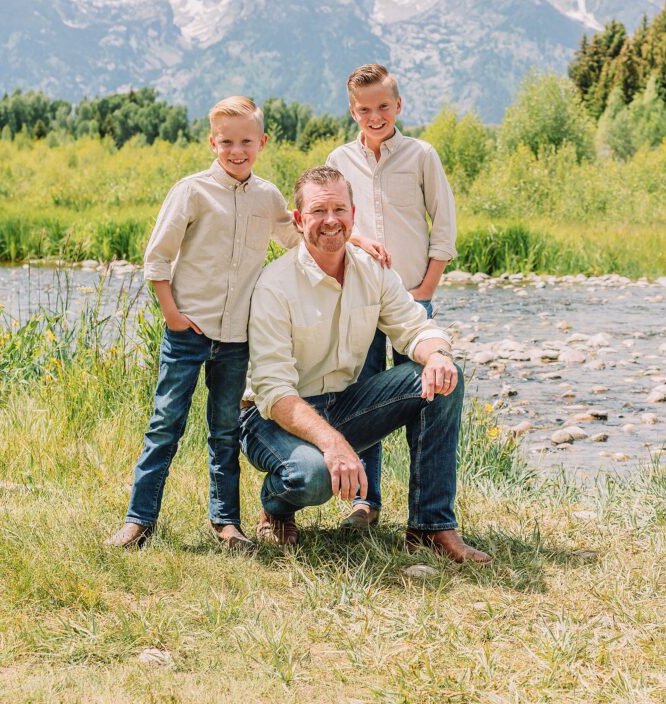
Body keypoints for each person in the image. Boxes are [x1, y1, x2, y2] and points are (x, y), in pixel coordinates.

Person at [240, 166, 491, 563]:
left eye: (340, 209)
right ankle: (276, 506)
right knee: (312, 477)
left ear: (354, 215)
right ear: (299, 219)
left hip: (342, 405)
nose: (331, 221)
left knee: (445, 378)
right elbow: (274, 391)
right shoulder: (275, 285)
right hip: (270, 418)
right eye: (319, 211)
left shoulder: (371, 270)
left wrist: (438, 355)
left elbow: (413, 327)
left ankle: (430, 527)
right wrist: (333, 443)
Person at [106, 96, 300, 551]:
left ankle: (226, 523)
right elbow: (157, 257)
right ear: (212, 141)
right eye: (227, 142)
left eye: (246, 141)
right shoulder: (192, 190)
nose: (237, 150)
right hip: (188, 332)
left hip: (236, 337)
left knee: (225, 432)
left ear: (262, 142)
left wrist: (353, 241)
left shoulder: (267, 196)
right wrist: (172, 314)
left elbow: (296, 240)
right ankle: (139, 519)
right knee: (165, 424)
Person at [326, 63, 456, 530]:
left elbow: (443, 227)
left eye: (383, 106)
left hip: (412, 300)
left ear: (398, 106)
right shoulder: (339, 160)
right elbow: (336, 222)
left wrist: (426, 289)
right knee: (365, 399)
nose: (374, 116)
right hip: (358, 297)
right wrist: (357, 242)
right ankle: (366, 501)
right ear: (352, 111)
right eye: (364, 109)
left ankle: (425, 514)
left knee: (426, 396)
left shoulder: (422, 155)